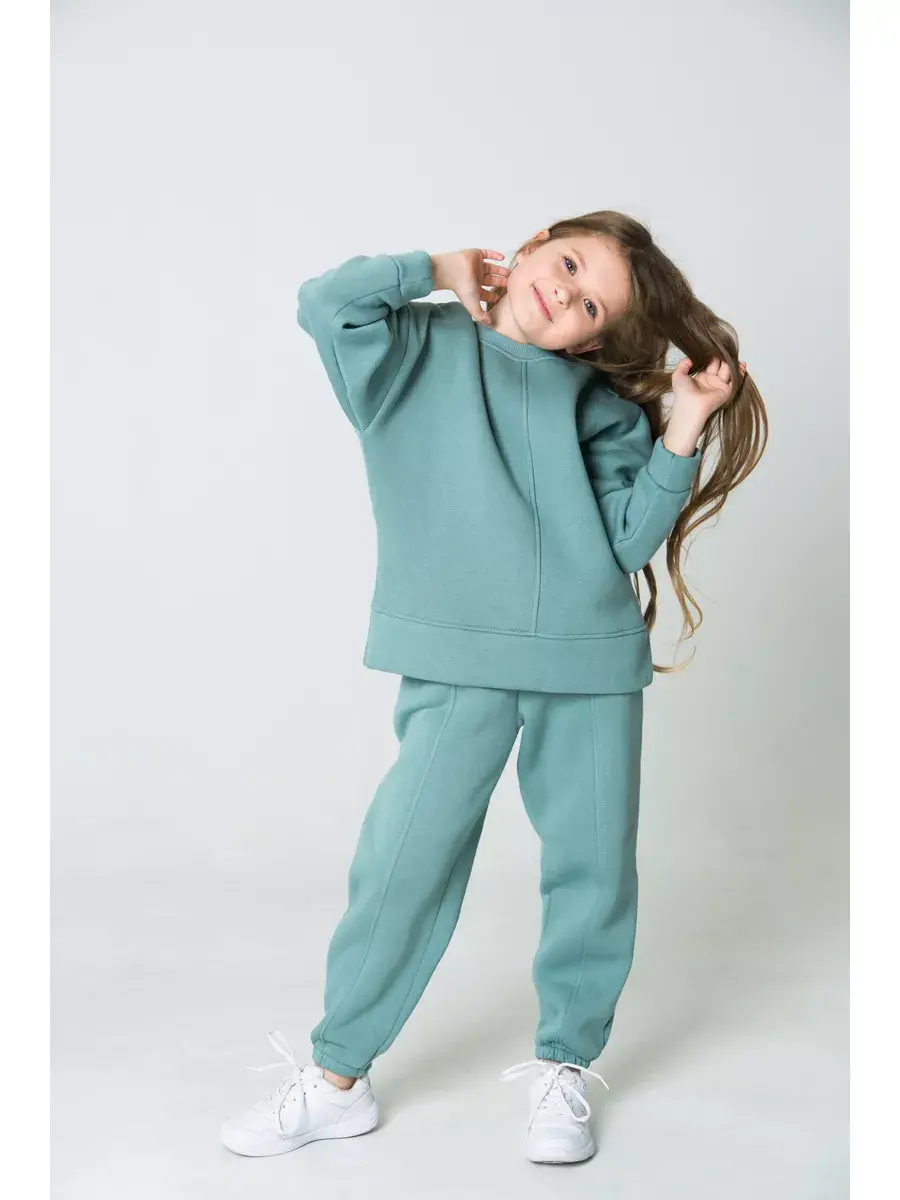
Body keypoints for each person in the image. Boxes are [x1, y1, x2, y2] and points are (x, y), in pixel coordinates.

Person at [220, 211, 768, 1165]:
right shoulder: (410, 348)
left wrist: (685, 424)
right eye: (570, 264)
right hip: (457, 657)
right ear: (532, 245)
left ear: (592, 341)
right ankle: (338, 1076)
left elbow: (625, 542)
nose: (566, 293)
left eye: (590, 305)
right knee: (401, 863)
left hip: (585, 663)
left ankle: (565, 1066)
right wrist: (436, 267)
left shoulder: (597, 406)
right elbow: (325, 301)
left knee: (592, 870)